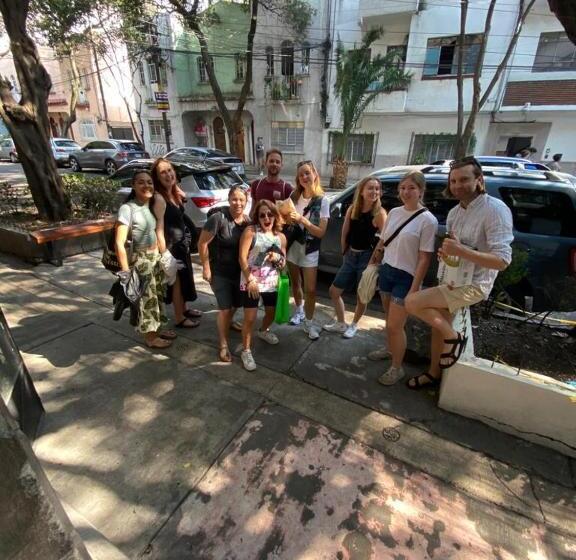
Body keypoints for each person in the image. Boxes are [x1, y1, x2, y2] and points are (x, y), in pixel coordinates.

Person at [405, 157, 513, 389]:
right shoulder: (455, 212)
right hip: (451, 279)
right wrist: (447, 253)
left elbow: (502, 261)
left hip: (474, 285)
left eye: (464, 179)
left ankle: (455, 337)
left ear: (479, 180)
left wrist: (461, 251)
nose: (457, 185)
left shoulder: (495, 210)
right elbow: (456, 249)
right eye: (453, 181)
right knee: (438, 326)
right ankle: (433, 374)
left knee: (412, 302)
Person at [367, 171, 438, 386]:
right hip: (387, 271)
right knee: (390, 320)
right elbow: (382, 242)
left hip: (406, 278)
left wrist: (414, 289)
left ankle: (397, 368)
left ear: (421, 191)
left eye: (412, 188)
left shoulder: (428, 220)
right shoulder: (395, 213)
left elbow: (425, 258)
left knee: (395, 326)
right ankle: (391, 349)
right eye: (403, 188)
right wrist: (372, 263)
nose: (406, 192)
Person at [115, 170, 175, 349]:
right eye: (141, 182)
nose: (146, 185)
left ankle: (157, 328)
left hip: (155, 258)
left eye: (149, 182)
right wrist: (125, 273)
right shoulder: (127, 209)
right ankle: (150, 337)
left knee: (157, 296)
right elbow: (119, 243)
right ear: (133, 185)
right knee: (147, 300)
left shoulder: (149, 205)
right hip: (141, 261)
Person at [323, 176, 387, 339]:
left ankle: (354, 325)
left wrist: (374, 261)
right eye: (370, 188)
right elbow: (345, 232)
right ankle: (341, 323)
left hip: (367, 257)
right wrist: (345, 252)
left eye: (377, 188)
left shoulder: (379, 214)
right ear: (362, 191)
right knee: (334, 291)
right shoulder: (353, 209)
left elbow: (384, 239)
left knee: (362, 295)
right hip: (351, 255)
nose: (374, 191)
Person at [198, 186, 251, 362]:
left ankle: (229, 320)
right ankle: (223, 344)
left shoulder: (247, 222)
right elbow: (202, 243)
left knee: (236, 304)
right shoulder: (218, 218)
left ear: (246, 201)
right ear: (229, 199)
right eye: (234, 199)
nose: (238, 203)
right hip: (219, 271)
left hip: (238, 272)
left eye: (241, 200)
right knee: (225, 308)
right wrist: (206, 267)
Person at [151, 158, 202, 329]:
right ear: (157, 177)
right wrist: (164, 253)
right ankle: (179, 317)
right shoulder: (159, 198)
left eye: (169, 170)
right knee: (177, 282)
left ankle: (184, 309)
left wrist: (179, 193)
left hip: (181, 245)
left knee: (185, 278)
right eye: (163, 172)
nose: (168, 174)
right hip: (170, 246)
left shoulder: (172, 192)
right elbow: (158, 228)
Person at [237, 200, 287, 371]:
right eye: (262, 215)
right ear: (257, 218)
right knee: (250, 318)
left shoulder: (280, 237)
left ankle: (263, 330)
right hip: (252, 281)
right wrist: (250, 279)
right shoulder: (251, 232)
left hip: (271, 282)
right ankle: (246, 351)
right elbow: (242, 258)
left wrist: (277, 258)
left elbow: (283, 263)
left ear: (275, 216)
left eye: (270, 214)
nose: (266, 218)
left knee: (271, 314)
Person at [286, 160, 330, 340]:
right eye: (301, 174)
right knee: (295, 283)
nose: (304, 177)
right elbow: (285, 221)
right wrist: (287, 218)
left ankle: (309, 323)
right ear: (298, 178)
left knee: (310, 289)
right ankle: (299, 311)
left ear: (314, 174)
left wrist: (302, 220)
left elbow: (321, 232)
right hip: (292, 246)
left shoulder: (323, 200)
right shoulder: (294, 196)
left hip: (310, 248)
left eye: (307, 173)